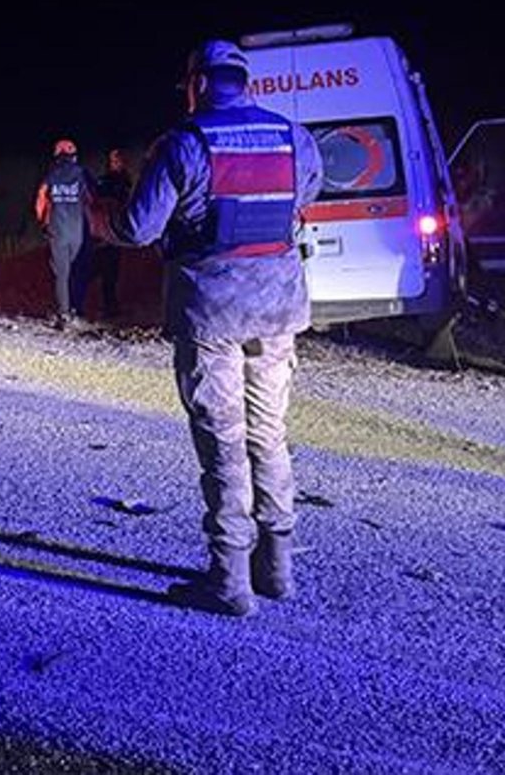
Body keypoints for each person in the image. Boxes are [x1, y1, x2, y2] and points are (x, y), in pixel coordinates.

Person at [93, 40, 323, 617]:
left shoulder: (183, 144)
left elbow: (140, 229)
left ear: (196, 84)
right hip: (277, 313)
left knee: (223, 442)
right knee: (269, 433)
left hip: (212, 313)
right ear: (245, 82)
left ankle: (230, 581)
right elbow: (307, 198)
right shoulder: (295, 138)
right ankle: (278, 569)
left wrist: (100, 220)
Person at [34, 139, 92, 327]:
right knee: (77, 270)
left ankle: (64, 313)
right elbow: (91, 200)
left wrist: (43, 224)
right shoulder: (82, 174)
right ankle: (78, 309)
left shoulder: (50, 176)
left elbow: (40, 202)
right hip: (78, 231)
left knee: (62, 273)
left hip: (57, 231)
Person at [89, 149, 133, 318]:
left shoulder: (123, 181)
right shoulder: (106, 181)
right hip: (105, 230)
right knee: (103, 268)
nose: (115, 163)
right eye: (113, 160)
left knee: (110, 272)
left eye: (118, 160)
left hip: (113, 231)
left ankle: (110, 306)